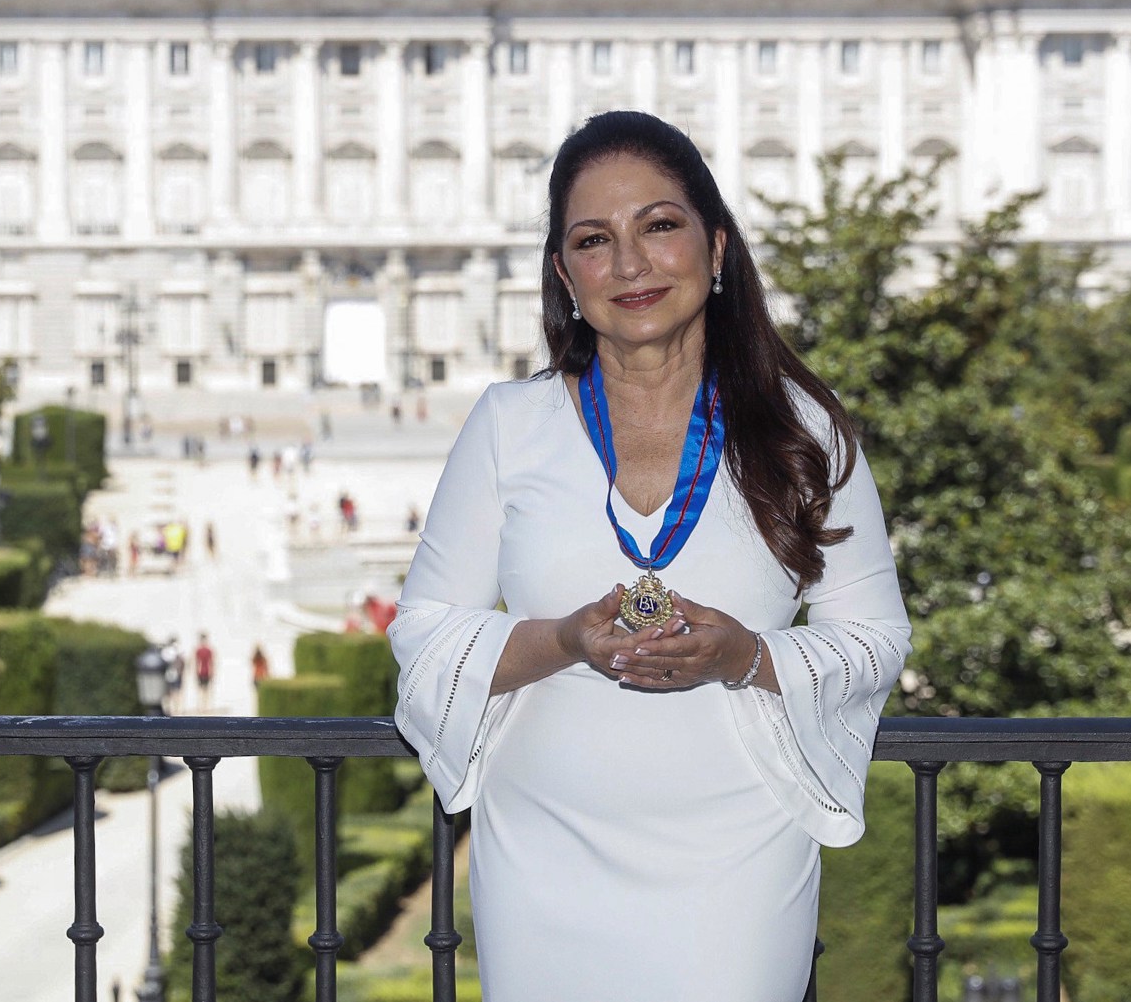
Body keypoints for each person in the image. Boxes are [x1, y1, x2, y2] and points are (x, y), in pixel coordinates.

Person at [388, 111, 911, 1001]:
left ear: (716, 249)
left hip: (738, 867)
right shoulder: (509, 425)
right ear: (565, 273)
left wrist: (745, 654)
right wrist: (563, 640)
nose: (630, 264)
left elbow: (876, 639)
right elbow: (424, 634)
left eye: (658, 225)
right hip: (541, 865)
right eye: (595, 240)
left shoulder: (804, 431)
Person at [194, 633, 215, 712]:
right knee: (201, 690)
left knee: (206, 690)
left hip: (206, 672)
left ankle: (205, 706)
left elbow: (211, 662)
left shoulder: (209, 650)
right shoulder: (198, 650)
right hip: (201, 672)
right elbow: (196, 662)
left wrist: (212, 672)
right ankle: (201, 706)